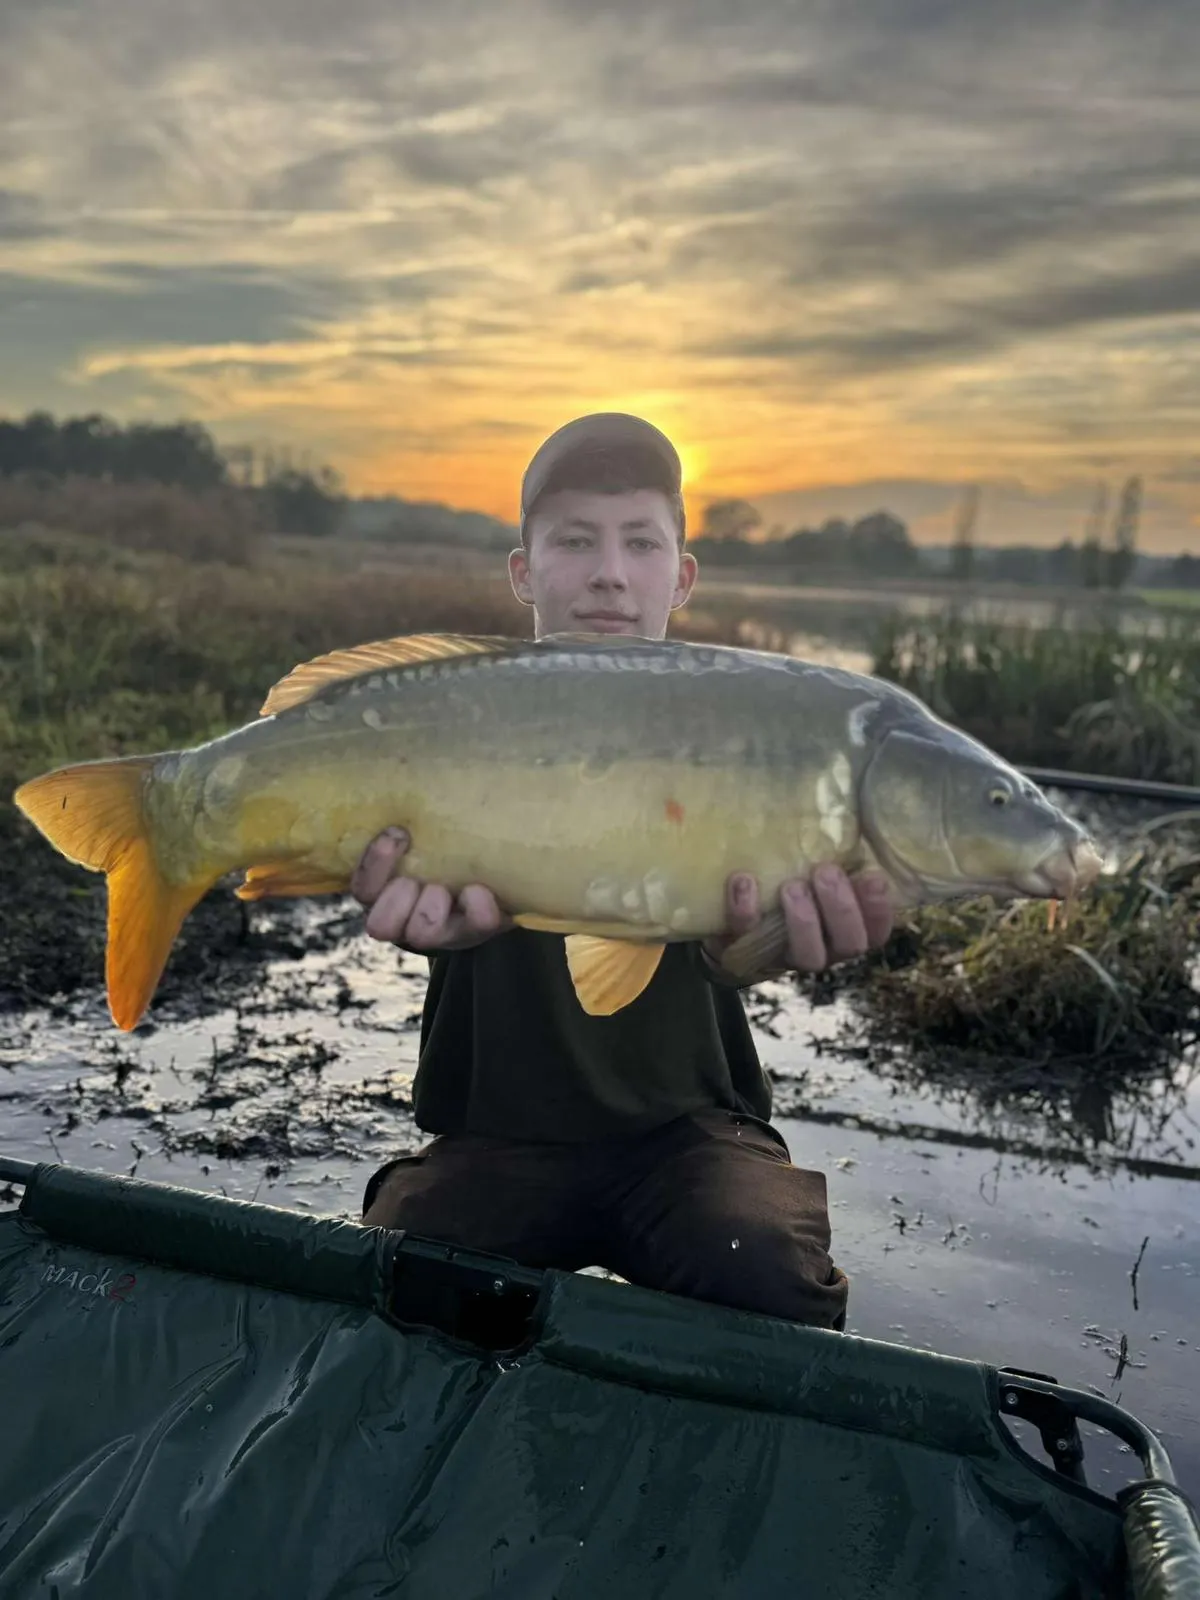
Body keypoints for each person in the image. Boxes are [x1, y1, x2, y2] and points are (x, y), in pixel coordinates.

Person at [351, 413, 894, 1330]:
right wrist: (417, 919)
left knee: (765, 1265)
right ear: (523, 572)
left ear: (681, 577)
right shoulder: (451, 719)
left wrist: (752, 945)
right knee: (401, 1271)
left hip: (689, 1136)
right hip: (496, 1135)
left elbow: (738, 946)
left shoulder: (743, 735)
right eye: (576, 540)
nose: (610, 572)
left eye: (641, 542)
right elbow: (387, 870)